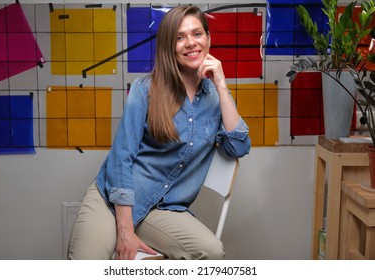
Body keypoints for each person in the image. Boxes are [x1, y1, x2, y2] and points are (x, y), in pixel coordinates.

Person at [67, 4, 251, 260]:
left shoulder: (216, 99)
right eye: (179, 37)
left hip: (163, 210)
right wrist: (125, 231)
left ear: (209, 39)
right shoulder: (145, 90)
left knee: (212, 253)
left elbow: (239, 147)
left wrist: (220, 84)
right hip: (113, 201)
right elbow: (121, 160)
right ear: (168, 46)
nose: (190, 43)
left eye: (197, 34)